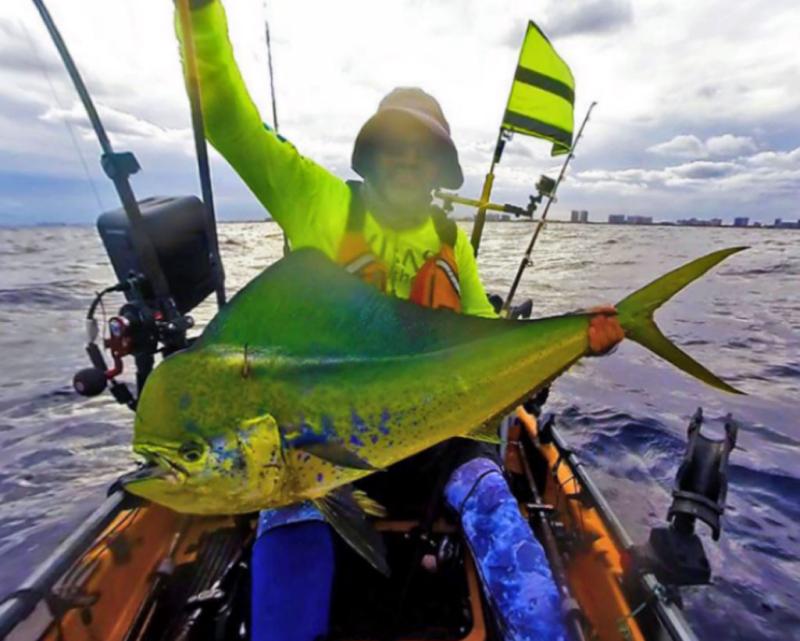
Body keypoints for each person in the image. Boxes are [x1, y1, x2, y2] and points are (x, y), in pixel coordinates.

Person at [175, 2, 624, 640]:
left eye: (424, 149)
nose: (408, 159)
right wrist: (199, 18)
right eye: (394, 144)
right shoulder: (318, 200)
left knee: (499, 514)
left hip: (436, 436)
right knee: (286, 521)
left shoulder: (451, 242)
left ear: (440, 164)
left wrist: (578, 339)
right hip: (320, 446)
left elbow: (480, 339)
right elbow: (226, 119)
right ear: (371, 153)